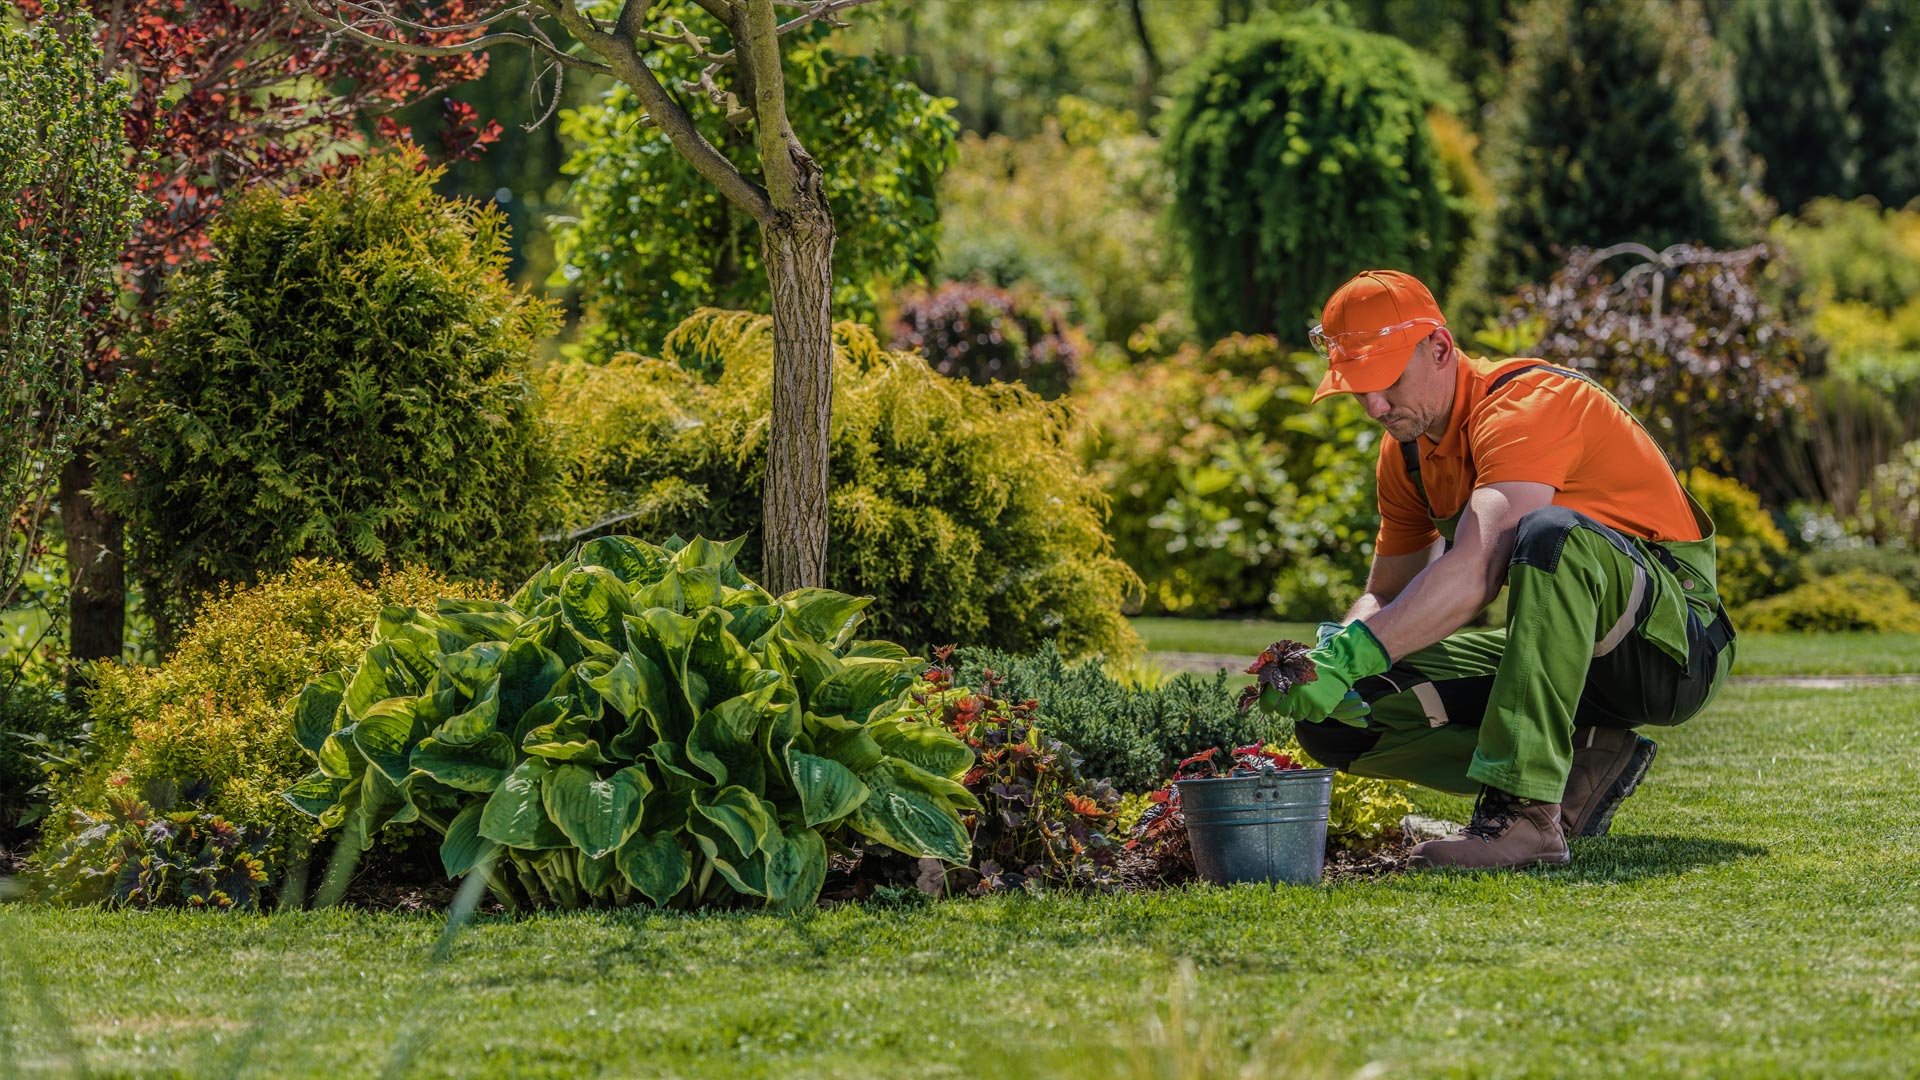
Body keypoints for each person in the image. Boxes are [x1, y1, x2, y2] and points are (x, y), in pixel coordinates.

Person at [1263, 270, 1737, 869]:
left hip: (1671, 650)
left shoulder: (1525, 406)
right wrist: (1326, 660)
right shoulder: (1404, 453)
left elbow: (1478, 567)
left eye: (1385, 382)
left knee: (1548, 535)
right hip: (1559, 652)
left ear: (1438, 347)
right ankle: (1583, 769)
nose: (1374, 406)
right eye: (1356, 389)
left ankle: (1525, 815)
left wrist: (1356, 651)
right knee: (1339, 722)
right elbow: (1385, 594)